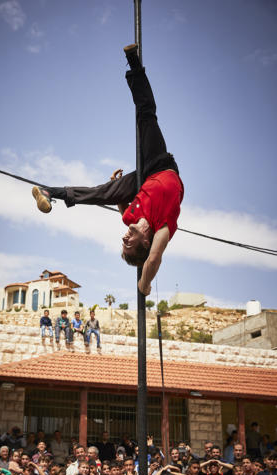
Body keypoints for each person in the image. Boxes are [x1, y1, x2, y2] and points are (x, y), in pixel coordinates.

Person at [32, 44, 184, 297]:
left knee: (100, 193)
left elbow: (120, 205)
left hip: (139, 182)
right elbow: (154, 259)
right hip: (161, 165)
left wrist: (116, 186)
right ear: (145, 243)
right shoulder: (162, 229)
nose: (124, 240)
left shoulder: (129, 218)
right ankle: (135, 66)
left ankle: (49, 192)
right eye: (129, 246)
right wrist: (144, 285)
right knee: (147, 115)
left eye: (123, 245)